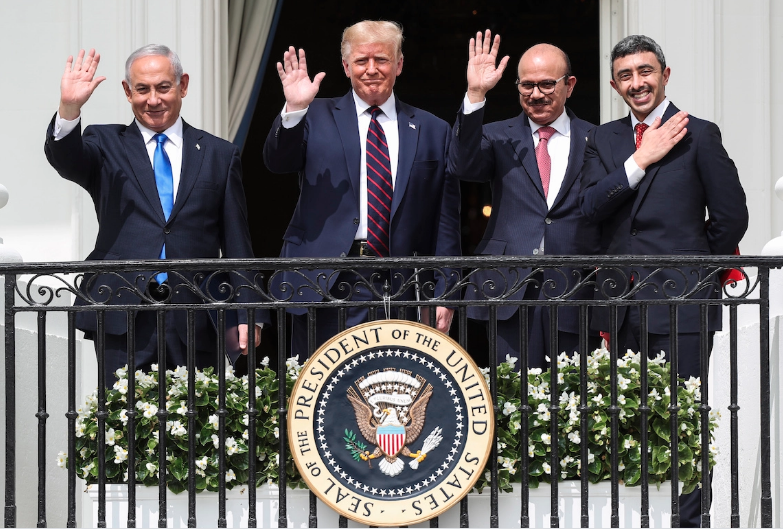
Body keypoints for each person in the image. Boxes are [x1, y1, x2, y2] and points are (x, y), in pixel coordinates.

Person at [579, 35, 748, 527]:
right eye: (626, 76)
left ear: (665, 75)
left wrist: (697, 276)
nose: (637, 83)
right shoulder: (605, 140)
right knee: (626, 419)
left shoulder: (699, 133)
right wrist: (641, 159)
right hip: (620, 304)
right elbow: (590, 208)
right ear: (614, 84)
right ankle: (638, 518)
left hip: (682, 303)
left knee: (683, 420)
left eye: (645, 72)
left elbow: (731, 218)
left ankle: (689, 522)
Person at [45, 45, 266, 382]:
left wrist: (248, 310)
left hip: (195, 310)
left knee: (196, 425)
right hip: (122, 308)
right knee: (121, 424)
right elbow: (66, 157)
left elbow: (238, 241)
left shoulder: (219, 154)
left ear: (183, 85)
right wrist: (70, 108)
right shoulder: (105, 143)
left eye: (163, 87)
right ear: (127, 91)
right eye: (142, 89)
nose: (153, 100)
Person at [263, 20, 461, 358]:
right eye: (361, 61)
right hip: (324, 284)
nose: (371, 69)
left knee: (393, 394)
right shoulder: (313, 114)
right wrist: (294, 109)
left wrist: (445, 289)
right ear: (346, 66)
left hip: (400, 286)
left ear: (399, 64)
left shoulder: (432, 129)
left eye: (382, 60)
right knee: (319, 396)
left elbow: (445, 219)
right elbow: (277, 163)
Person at [448, 31, 601, 369]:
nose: (536, 94)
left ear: (570, 85)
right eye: (526, 85)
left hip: (575, 287)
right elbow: (462, 164)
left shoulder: (598, 138)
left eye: (547, 84)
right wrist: (476, 93)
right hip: (507, 287)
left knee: (575, 399)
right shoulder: (497, 135)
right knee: (511, 398)